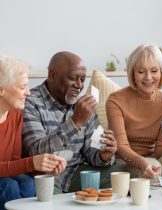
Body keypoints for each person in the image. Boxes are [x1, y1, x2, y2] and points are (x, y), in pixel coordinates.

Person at [22, 51, 119, 193]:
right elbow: (36, 152)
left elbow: (92, 153)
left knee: (129, 174)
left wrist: (104, 155)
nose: (79, 86)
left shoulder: (84, 105)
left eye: (83, 79)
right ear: (52, 75)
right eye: (73, 78)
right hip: (46, 176)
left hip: (77, 173)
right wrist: (75, 121)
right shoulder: (30, 103)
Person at [106, 44, 162, 180]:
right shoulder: (115, 100)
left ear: (161, 72)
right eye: (141, 71)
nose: (148, 77)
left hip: (153, 156)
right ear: (133, 74)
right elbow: (120, 146)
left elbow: (160, 150)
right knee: (153, 168)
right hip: (125, 161)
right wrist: (143, 162)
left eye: (154, 71)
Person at [0, 56, 66, 210]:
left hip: (4, 176)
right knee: (9, 187)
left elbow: (15, 160)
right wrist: (31, 162)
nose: (28, 93)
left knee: (29, 183)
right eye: (22, 88)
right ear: (2, 89)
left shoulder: (15, 114)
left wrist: (44, 166)